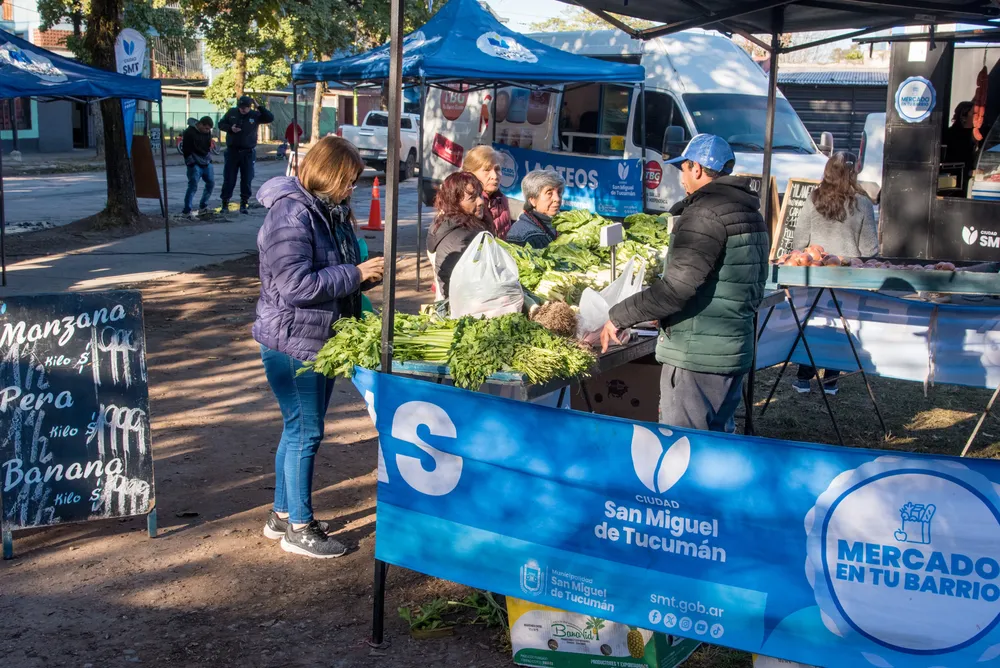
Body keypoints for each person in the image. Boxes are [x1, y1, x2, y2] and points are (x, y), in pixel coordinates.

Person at [253, 136, 385, 559]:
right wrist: (353, 273)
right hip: (294, 340)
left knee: (296, 428)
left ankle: (281, 515)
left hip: (318, 337)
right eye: (347, 180)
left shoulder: (326, 211)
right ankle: (299, 528)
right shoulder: (292, 213)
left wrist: (361, 278)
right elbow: (295, 286)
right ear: (326, 173)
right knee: (306, 432)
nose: (352, 189)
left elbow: (329, 270)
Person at [599, 134, 768, 433]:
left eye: (683, 169)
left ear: (698, 169)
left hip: (697, 358)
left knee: (682, 451)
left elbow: (675, 290)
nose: (682, 179)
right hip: (733, 351)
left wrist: (618, 316)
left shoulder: (704, 214)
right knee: (715, 449)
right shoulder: (750, 212)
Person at [790, 151, 876, 396]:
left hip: (815, 273)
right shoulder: (863, 203)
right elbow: (870, 249)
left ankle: (803, 378)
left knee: (813, 323)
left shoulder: (813, 199)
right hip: (847, 276)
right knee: (842, 325)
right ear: (853, 173)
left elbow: (799, 241)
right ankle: (831, 381)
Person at [426, 171, 488, 299]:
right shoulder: (460, 238)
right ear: (454, 203)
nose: (481, 201)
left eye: (480, 195)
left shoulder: (470, 227)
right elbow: (455, 288)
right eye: (472, 198)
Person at [219, 95, 274, 214]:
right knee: (229, 178)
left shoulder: (255, 115)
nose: (243, 110)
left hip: (247, 152)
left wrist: (259, 106)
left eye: (245, 107)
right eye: (241, 107)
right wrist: (230, 128)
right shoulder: (232, 112)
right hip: (232, 151)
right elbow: (221, 124)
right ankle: (225, 203)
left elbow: (269, 118)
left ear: (250, 107)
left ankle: (244, 203)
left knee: (247, 178)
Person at [507, 170, 564, 249]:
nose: (557, 199)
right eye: (549, 193)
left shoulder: (567, 226)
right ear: (533, 200)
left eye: (559, 192)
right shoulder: (520, 235)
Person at [462, 145, 511, 238]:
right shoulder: (463, 200)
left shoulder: (502, 200)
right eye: (487, 170)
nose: (495, 176)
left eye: (497, 169)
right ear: (470, 173)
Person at [181, 116, 216, 216]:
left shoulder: (207, 132)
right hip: (195, 162)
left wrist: (209, 159)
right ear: (200, 124)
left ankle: (203, 205)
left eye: (209, 129)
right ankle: (187, 210)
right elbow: (186, 149)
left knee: (211, 183)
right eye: (206, 128)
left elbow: (207, 146)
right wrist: (191, 162)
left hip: (206, 161)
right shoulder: (189, 132)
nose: (207, 131)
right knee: (193, 186)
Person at [943, 101, 980, 190]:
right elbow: (951, 160)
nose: (977, 117)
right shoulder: (951, 135)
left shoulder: (975, 133)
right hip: (956, 182)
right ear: (963, 116)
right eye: (974, 114)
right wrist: (969, 172)